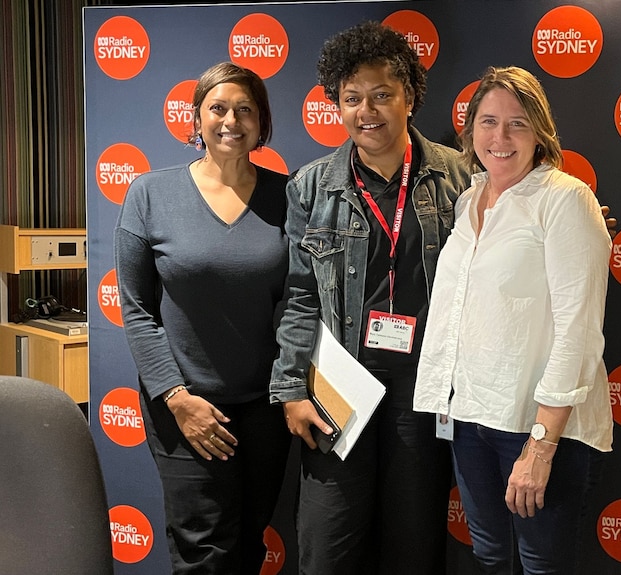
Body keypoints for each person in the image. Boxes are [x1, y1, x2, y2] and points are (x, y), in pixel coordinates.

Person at [269, 21, 468, 575]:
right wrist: (290, 387)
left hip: (423, 387)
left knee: (413, 543)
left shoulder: (458, 177)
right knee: (326, 545)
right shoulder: (310, 187)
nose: (367, 110)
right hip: (339, 384)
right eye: (352, 98)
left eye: (383, 94)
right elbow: (300, 296)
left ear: (410, 96)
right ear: (337, 104)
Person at [414, 66, 614, 574]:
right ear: (469, 131)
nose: (499, 137)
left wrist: (541, 446)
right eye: (487, 122)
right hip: (472, 419)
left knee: (540, 565)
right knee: (489, 558)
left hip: (538, 428)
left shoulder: (565, 199)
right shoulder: (467, 201)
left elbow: (579, 332)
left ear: (540, 132)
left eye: (517, 123)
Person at [115, 61, 292, 574]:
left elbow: (302, 300)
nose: (230, 120)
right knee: (203, 554)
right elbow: (136, 309)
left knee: (250, 544)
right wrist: (177, 398)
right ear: (196, 119)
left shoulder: (288, 197)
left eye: (244, 109)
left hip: (264, 411)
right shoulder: (149, 194)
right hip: (184, 408)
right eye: (218, 108)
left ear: (261, 122)